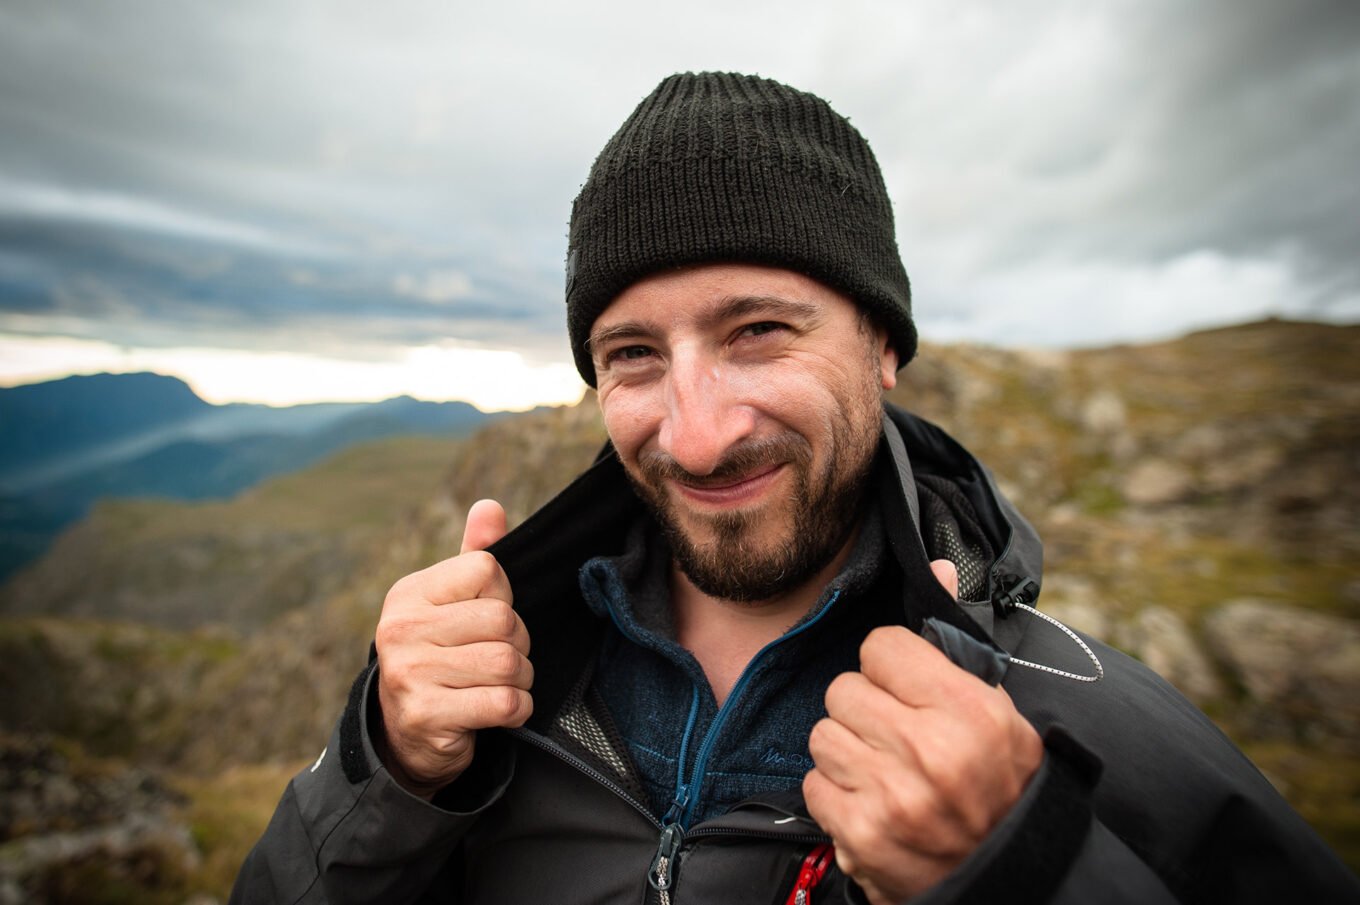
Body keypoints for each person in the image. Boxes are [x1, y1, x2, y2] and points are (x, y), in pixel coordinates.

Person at [231, 72, 1358, 904]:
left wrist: (1026, 864)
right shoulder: (483, 693)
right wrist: (388, 768)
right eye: (632, 354)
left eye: (759, 331)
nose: (699, 431)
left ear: (881, 345)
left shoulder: (1084, 726)